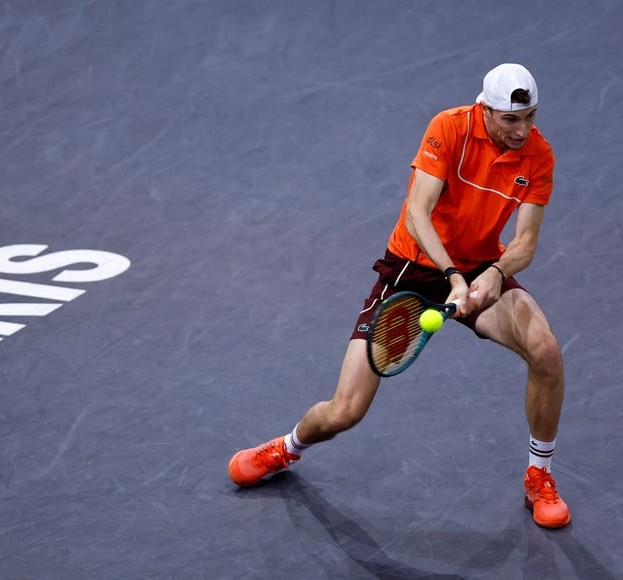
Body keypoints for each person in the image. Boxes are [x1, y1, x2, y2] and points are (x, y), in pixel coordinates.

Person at [228, 63, 571, 529]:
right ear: (484, 109)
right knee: (344, 411)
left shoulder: (538, 154)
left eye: (529, 117)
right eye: (511, 120)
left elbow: (525, 242)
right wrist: (451, 275)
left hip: (479, 270)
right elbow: (417, 213)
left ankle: (539, 475)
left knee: (546, 352)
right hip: (413, 272)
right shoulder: (448, 128)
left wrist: (493, 272)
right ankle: (287, 447)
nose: (522, 129)